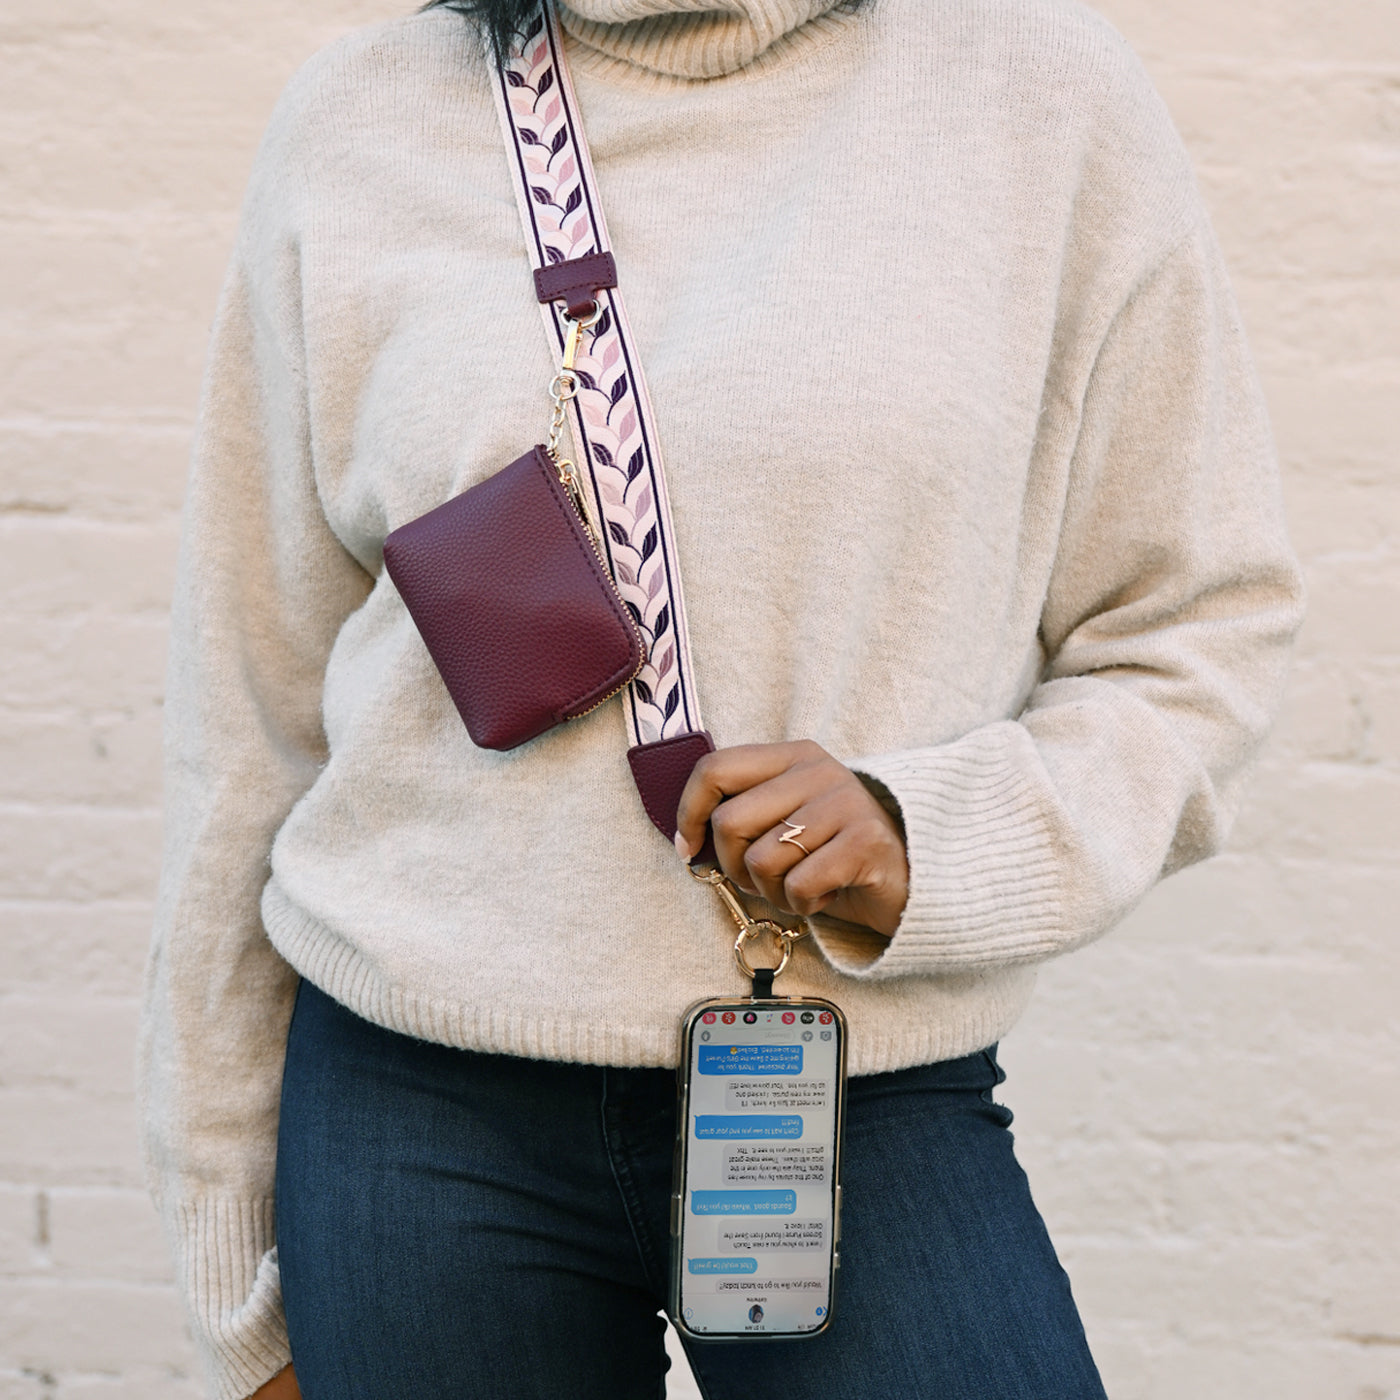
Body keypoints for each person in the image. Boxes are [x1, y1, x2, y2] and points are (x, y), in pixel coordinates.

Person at [139, 0, 1304, 1397]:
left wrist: (926, 835)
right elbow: (248, 720)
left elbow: (1198, 628)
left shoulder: (1043, 95)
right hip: (413, 1115)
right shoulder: (359, 116)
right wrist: (233, 1275)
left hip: (858, 1089)